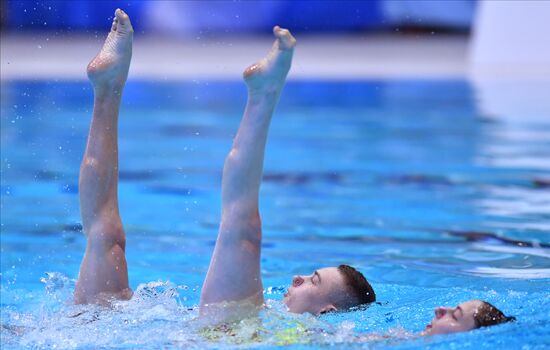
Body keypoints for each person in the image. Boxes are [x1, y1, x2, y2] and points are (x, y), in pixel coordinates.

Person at [73, 9, 376, 316]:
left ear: (327, 310)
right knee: (106, 235)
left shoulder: (301, 336)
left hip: (136, 333)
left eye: (313, 282)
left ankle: (262, 96)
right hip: (122, 332)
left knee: (240, 226)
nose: (297, 278)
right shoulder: (273, 323)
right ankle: (107, 86)